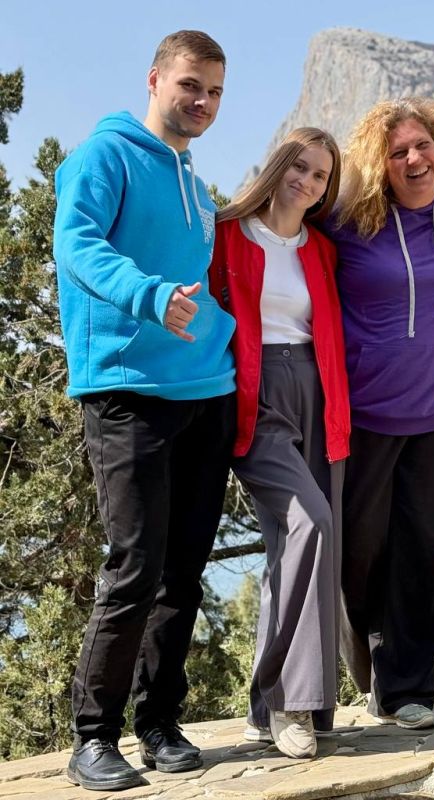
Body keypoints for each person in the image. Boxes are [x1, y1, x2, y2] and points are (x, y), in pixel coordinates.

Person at [53, 31, 235, 791]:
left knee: (183, 572)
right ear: (156, 79)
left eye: (215, 91)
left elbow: (202, 280)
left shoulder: (195, 180)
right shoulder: (105, 156)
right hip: (126, 391)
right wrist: (148, 296)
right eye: (191, 85)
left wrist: (220, 337)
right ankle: (93, 738)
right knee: (135, 567)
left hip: (205, 394)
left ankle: (159, 723)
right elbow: (76, 245)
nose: (202, 101)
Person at [324, 98, 434, 729]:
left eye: (424, 146)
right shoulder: (348, 225)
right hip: (366, 414)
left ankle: (409, 687)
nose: (414, 159)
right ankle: (370, 668)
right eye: (398, 152)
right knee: (359, 550)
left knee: (427, 552)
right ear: (380, 164)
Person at [208, 127, 349, 758]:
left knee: (304, 547)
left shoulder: (322, 248)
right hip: (254, 392)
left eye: (321, 175)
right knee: (308, 522)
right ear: (277, 165)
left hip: (320, 389)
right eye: (299, 167)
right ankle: (290, 701)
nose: (307, 182)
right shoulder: (227, 233)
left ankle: (269, 709)